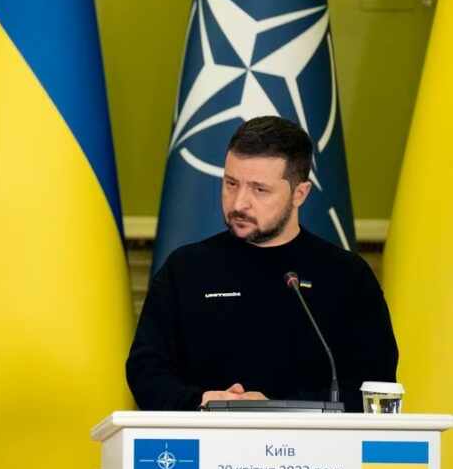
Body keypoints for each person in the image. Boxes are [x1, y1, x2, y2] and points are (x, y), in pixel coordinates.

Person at [126, 116, 397, 413]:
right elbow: (146, 370)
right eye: (231, 184)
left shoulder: (347, 276)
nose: (239, 203)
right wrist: (203, 402)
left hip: (311, 442)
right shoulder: (186, 269)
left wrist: (277, 409)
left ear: (300, 193)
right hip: (201, 436)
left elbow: (375, 384)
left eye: (259, 190)